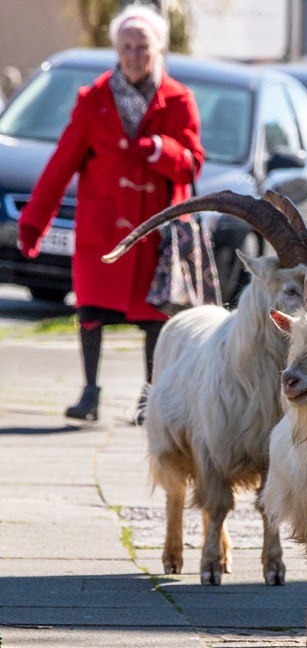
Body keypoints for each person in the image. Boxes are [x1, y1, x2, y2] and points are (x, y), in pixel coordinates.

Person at [18, 4, 204, 424]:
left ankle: (149, 397)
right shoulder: (94, 99)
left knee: (154, 318)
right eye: (126, 47)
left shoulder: (179, 99)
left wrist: (161, 150)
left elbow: (193, 164)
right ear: (116, 50)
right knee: (91, 312)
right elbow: (61, 165)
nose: (134, 55)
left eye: (143, 47)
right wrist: (33, 222)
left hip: (154, 230)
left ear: (158, 49)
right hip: (102, 229)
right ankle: (90, 393)